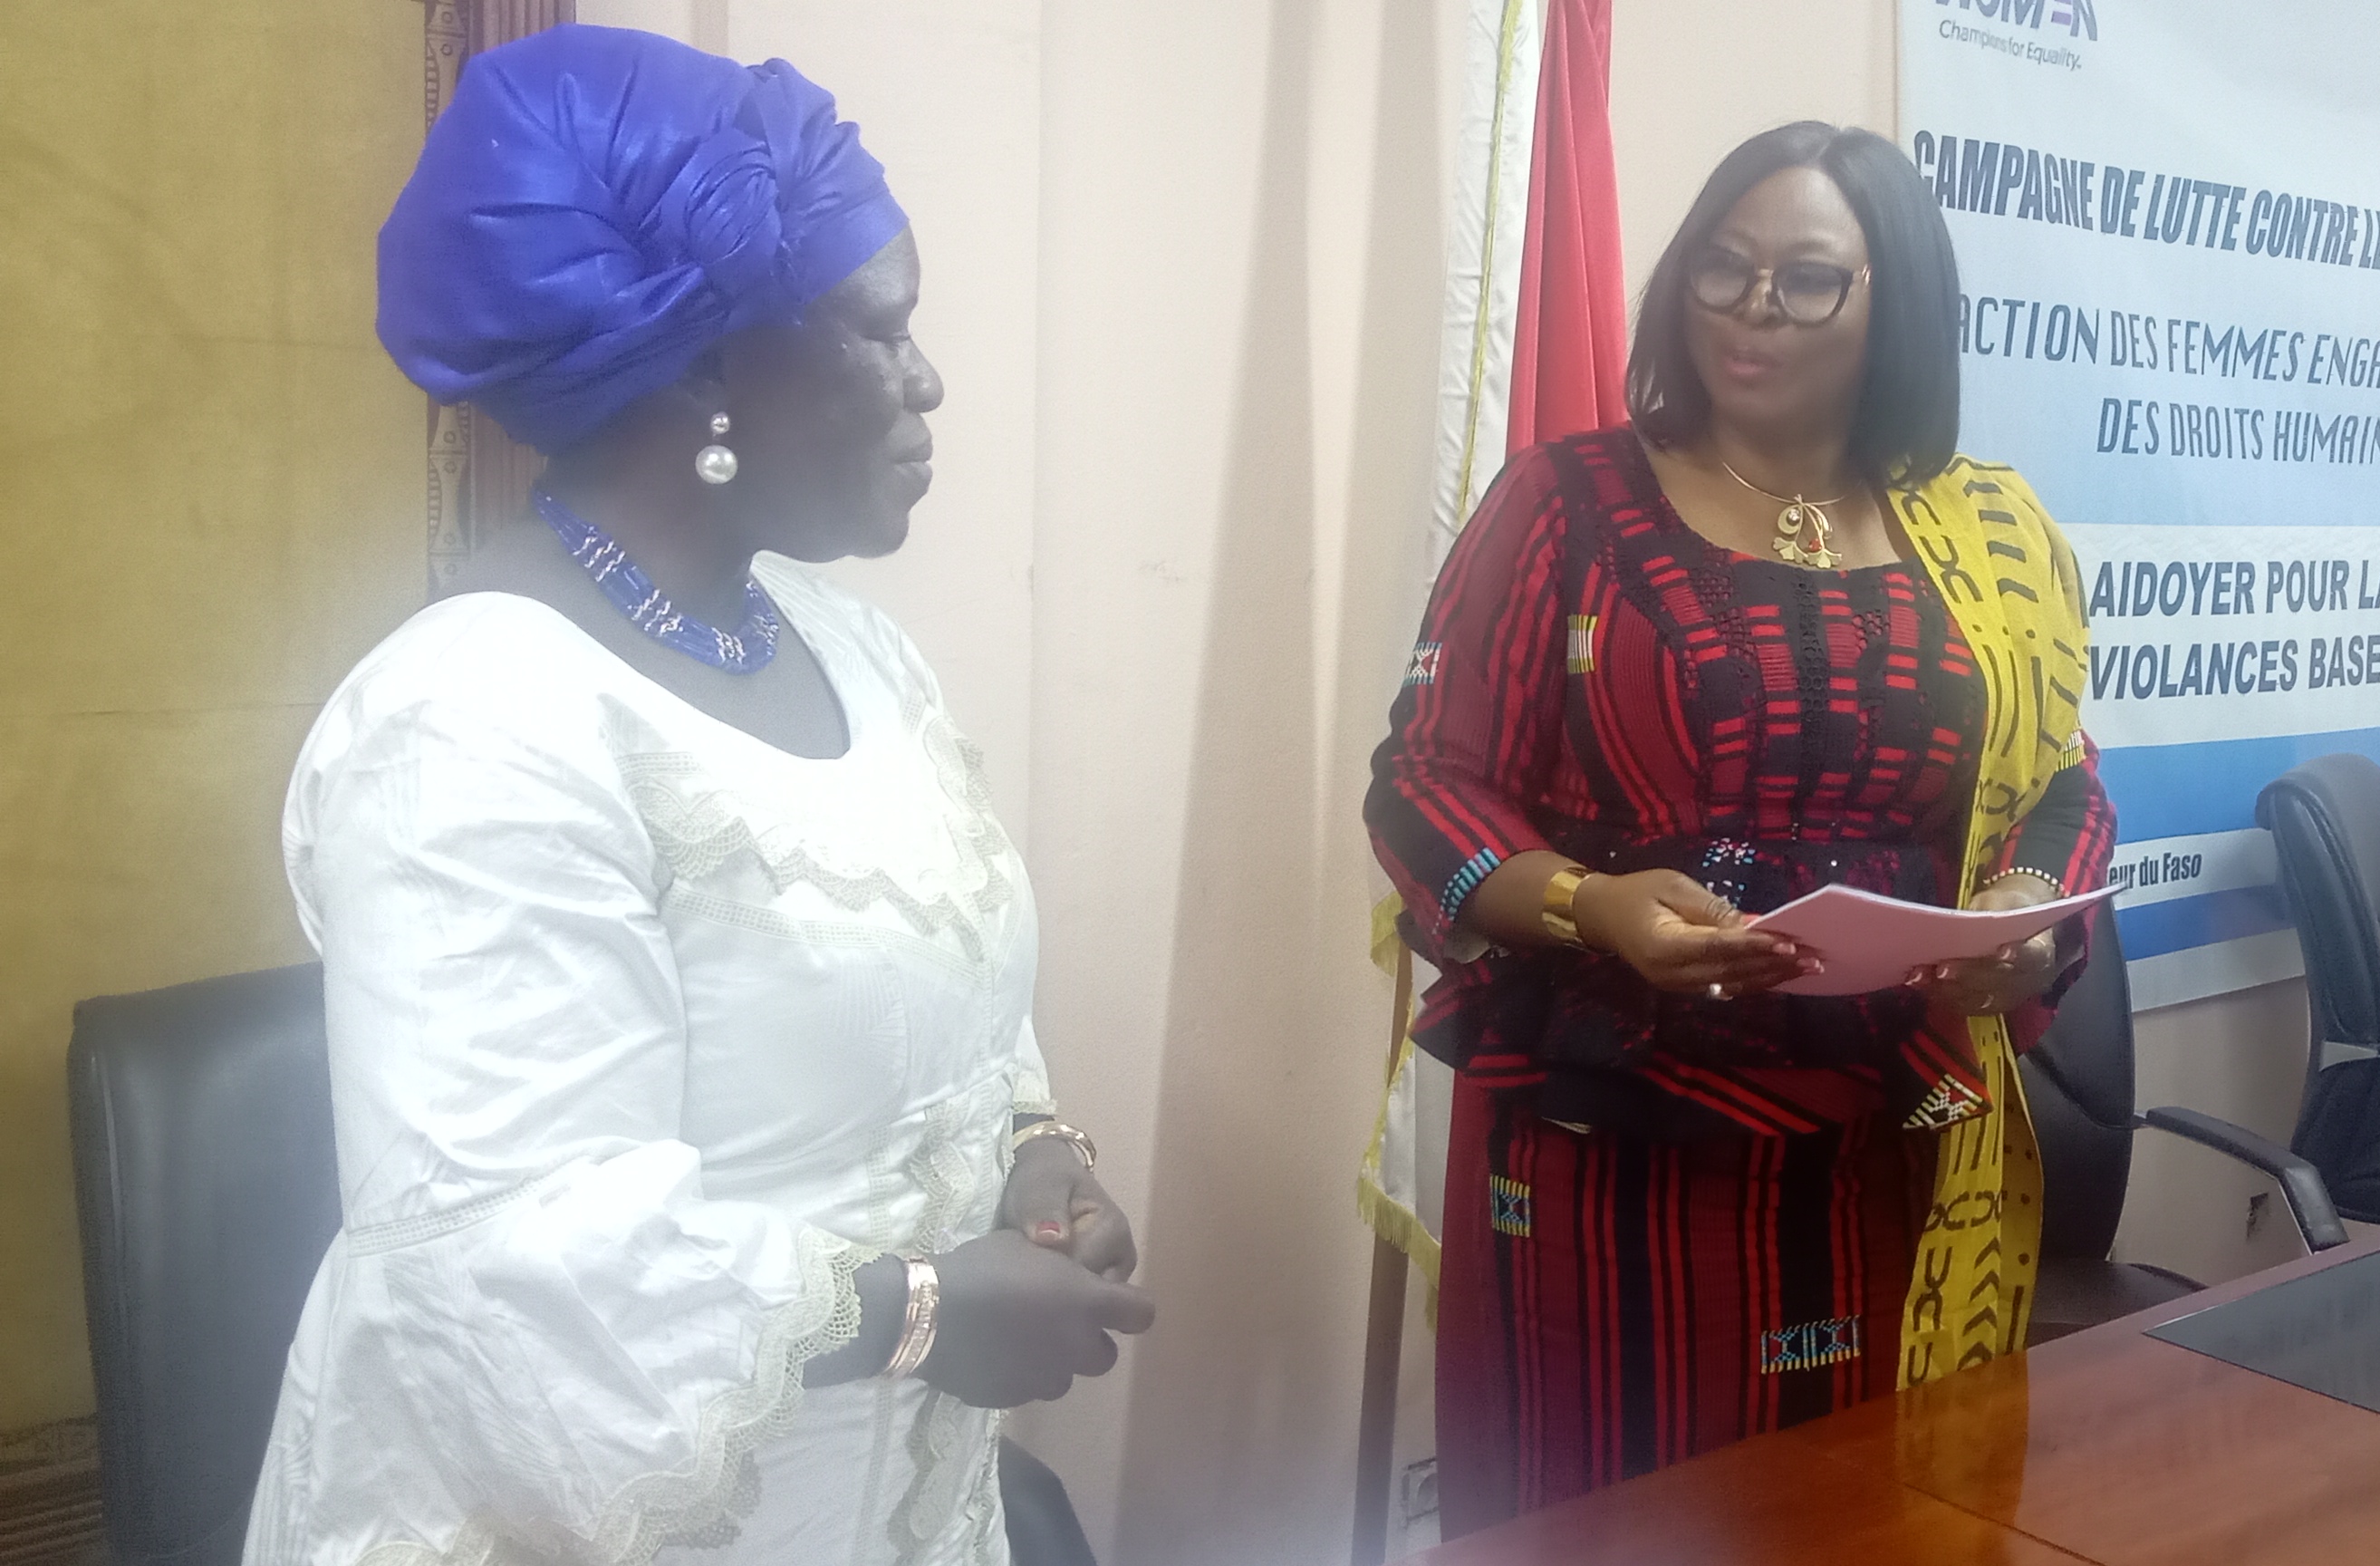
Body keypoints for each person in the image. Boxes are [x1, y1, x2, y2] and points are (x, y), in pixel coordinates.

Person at [253, 27, 1150, 1560]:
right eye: (881, 328)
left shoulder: (853, 649)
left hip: (902, 1511)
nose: (927, 379)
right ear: (710, 364)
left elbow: (947, 991)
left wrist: (1034, 1153)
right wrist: (926, 1311)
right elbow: (502, 1262)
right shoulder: (472, 724)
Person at [1365, 121, 2112, 1532]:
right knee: (1614, 1522)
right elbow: (1421, 783)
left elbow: (2060, 779)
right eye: (1722, 266)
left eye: (1807, 279)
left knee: (1848, 1517)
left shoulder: (1982, 539)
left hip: (1881, 1144)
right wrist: (1595, 905)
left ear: (1896, 302)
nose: (1755, 307)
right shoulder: (1564, 508)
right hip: (1609, 1155)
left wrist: (2023, 915)